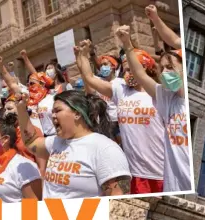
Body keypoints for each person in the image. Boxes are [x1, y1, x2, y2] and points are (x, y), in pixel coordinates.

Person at [74, 39, 166, 194]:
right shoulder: (120, 89)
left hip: (162, 171)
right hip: (135, 173)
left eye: (131, 69)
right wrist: (83, 55)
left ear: (144, 67)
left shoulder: (159, 92)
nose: (128, 73)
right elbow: (89, 78)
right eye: (125, 70)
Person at [115, 24, 190, 192]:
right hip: (173, 188)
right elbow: (140, 74)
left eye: (170, 67)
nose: (164, 73)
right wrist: (127, 43)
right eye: (162, 68)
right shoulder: (167, 99)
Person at [15, 90, 131, 198]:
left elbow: (119, 202)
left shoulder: (105, 149)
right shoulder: (55, 142)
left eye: (58, 111)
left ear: (77, 113)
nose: (52, 116)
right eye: (52, 112)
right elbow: (31, 142)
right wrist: (21, 109)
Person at [0, 85, 47, 176]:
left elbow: (42, 166)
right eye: (5, 110)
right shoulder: (2, 128)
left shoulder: (33, 131)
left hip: (29, 178)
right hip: (8, 177)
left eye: (10, 109)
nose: (7, 112)